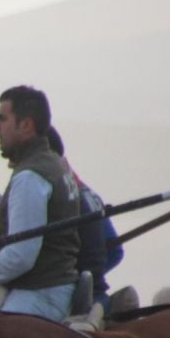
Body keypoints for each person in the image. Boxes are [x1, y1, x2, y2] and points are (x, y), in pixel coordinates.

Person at [0, 86, 83, 320]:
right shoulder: (53, 166)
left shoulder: (30, 176)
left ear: (26, 125)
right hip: (54, 289)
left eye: (2, 119)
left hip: (38, 295)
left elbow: (20, 255)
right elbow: (30, 224)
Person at [47, 125, 123, 308]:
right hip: (96, 296)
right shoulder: (85, 191)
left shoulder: (61, 194)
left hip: (70, 301)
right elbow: (115, 252)